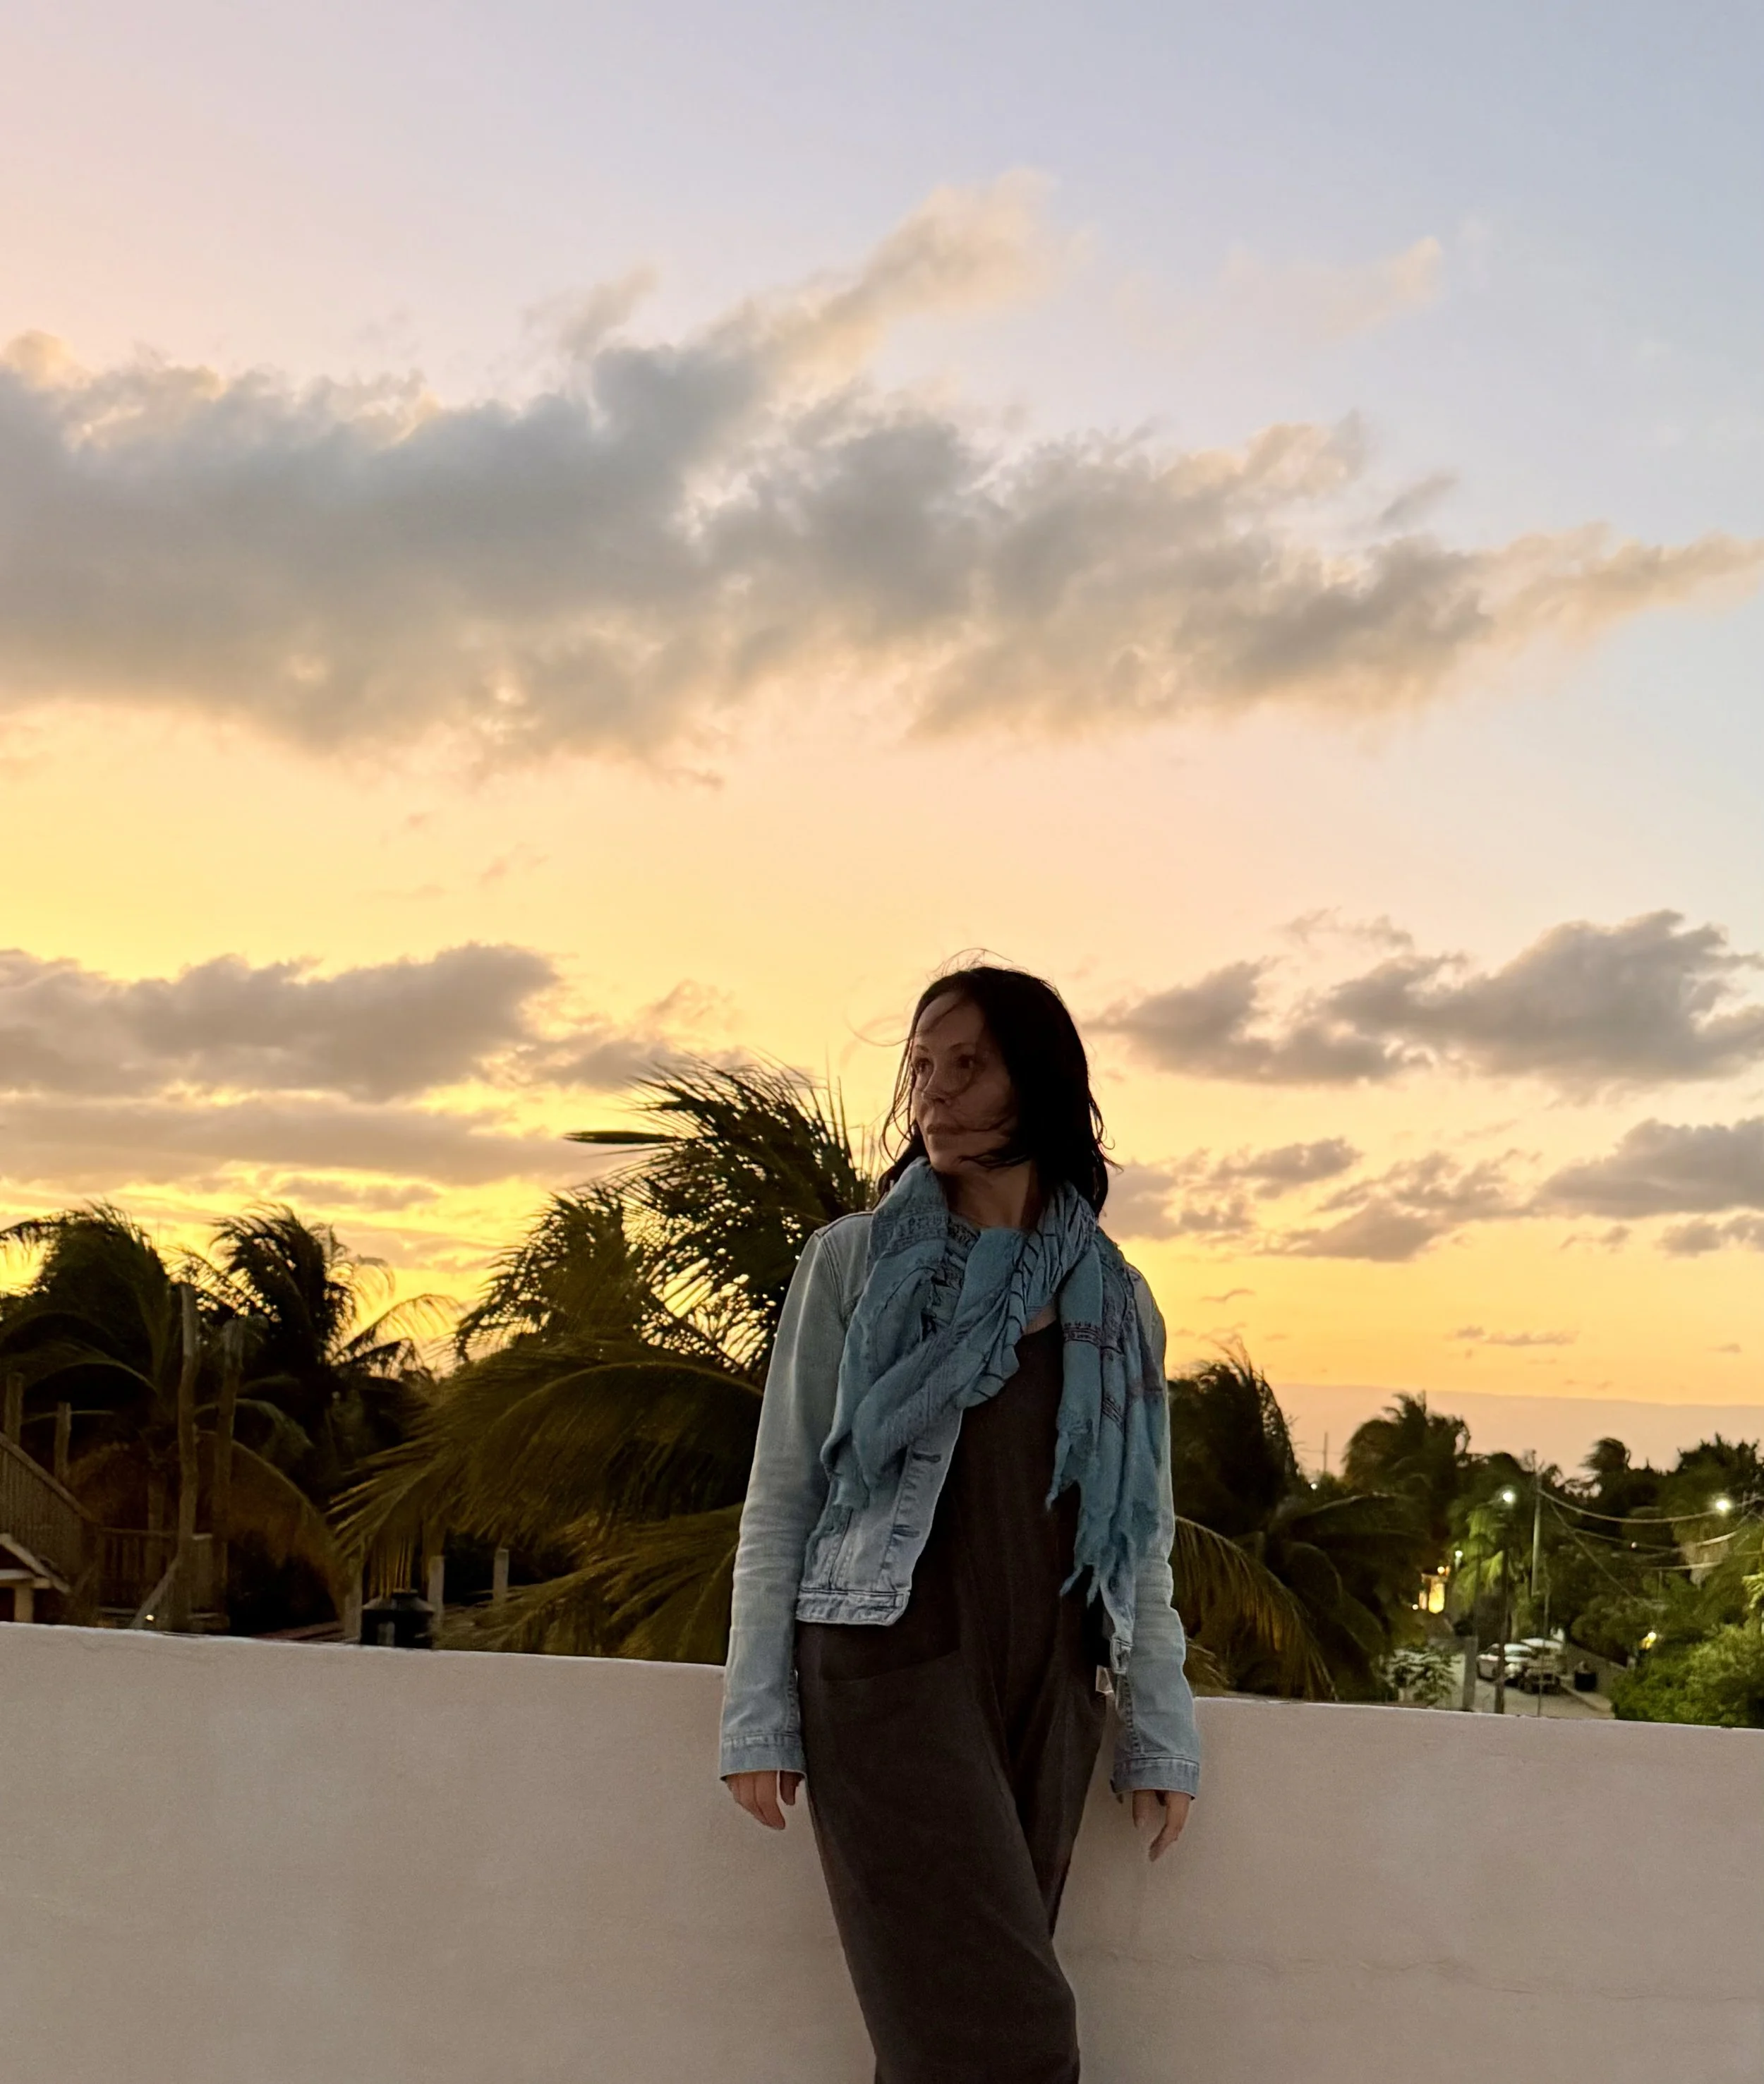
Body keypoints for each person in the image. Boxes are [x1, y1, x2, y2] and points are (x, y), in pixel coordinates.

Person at [718, 963, 1201, 2084]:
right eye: (923, 1065)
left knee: (939, 2049)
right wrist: (757, 1713)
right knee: (1016, 2041)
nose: (933, 1091)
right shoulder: (854, 1262)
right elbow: (784, 1490)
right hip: (889, 1671)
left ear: (1037, 1081)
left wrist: (1158, 1728)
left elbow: (1141, 1538)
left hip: (1054, 1686)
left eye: (968, 1064)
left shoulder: (1118, 1301)